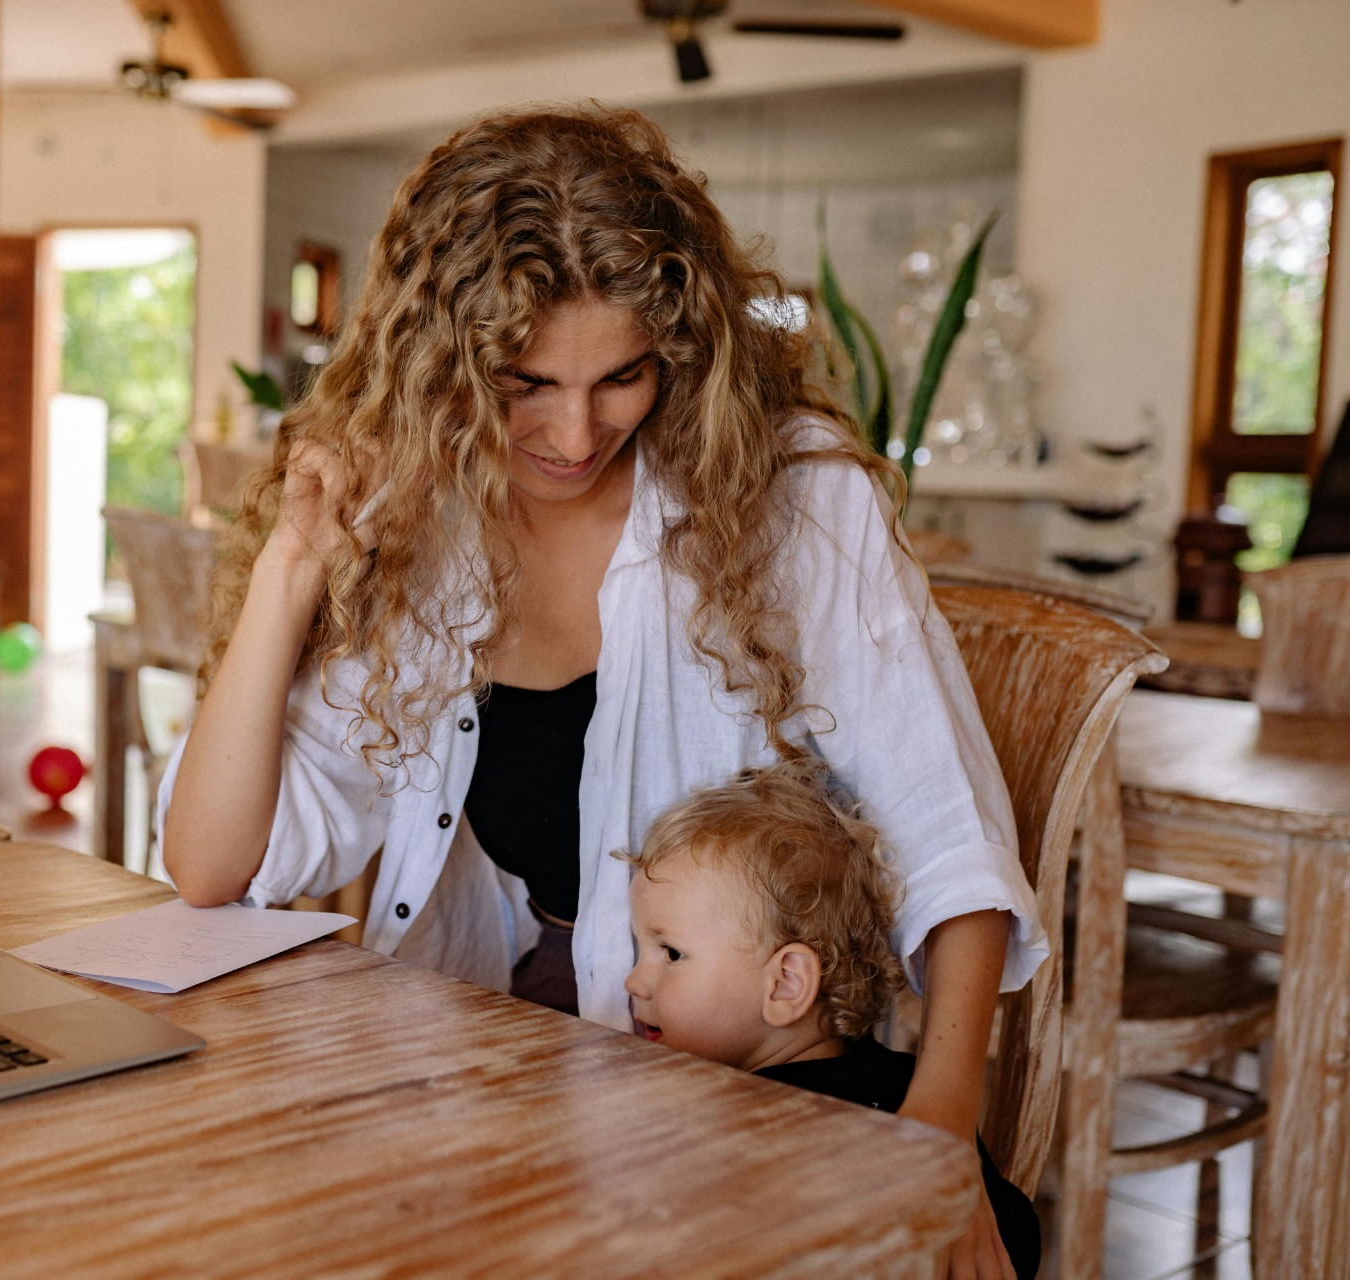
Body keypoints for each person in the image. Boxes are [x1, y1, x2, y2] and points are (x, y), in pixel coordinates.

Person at [159, 104, 1046, 1277]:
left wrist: (939, 1126)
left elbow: (949, 842)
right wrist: (289, 573)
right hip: (507, 1047)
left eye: (621, 376)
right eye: (524, 382)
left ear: (677, 349)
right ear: (442, 367)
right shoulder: (415, 520)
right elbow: (215, 864)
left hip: (730, 1077)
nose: (574, 433)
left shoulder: (793, 498)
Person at [621, 761, 1039, 1280]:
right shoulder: (907, 1087)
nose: (634, 982)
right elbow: (1015, 1230)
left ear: (786, 984)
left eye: (671, 954)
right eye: (640, 948)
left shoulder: (743, 1138)